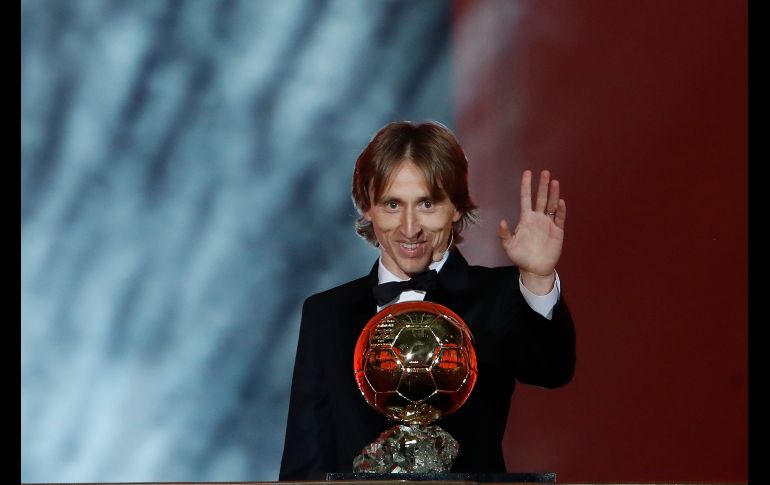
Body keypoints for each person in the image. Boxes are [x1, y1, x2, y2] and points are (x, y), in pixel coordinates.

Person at [278, 121, 575, 480]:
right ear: (367, 208)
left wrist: (538, 277)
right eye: (392, 204)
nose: (409, 228)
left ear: (456, 207)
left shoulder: (498, 295)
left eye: (427, 204)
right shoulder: (327, 313)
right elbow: (306, 459)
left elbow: (551, 368)